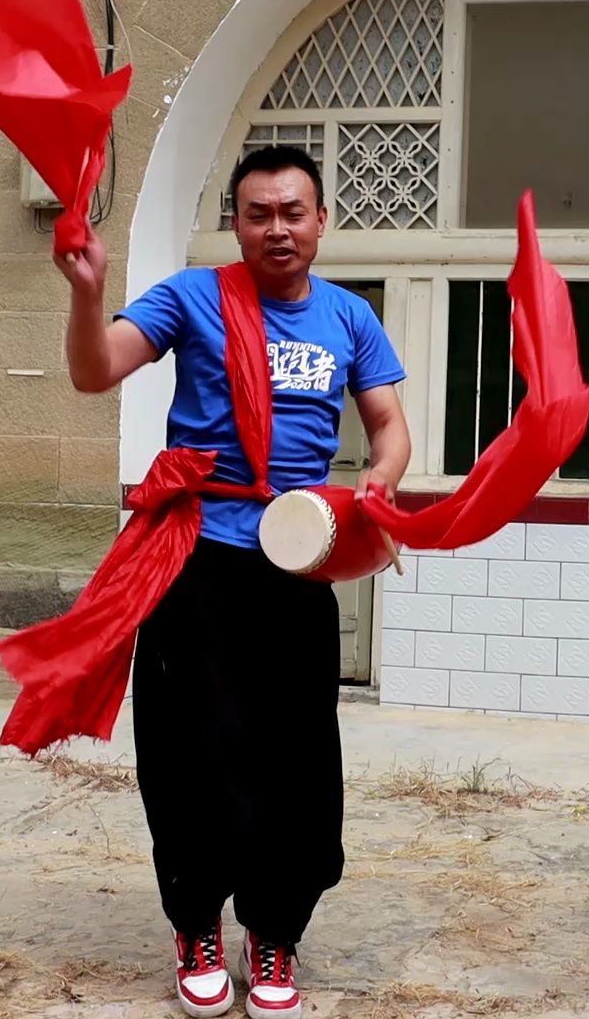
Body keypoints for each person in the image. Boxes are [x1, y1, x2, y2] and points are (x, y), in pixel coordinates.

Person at [56, 144, 410, 1019]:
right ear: (236, 223)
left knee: (295, 759)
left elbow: (390, 426)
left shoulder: (350, 319)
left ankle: (277, 935)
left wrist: (378, 483)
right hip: (195, 559)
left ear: (322, 220)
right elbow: (95, 370)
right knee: (191, 753)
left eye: (294, 212)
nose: (278, 229)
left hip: (297, 562)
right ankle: (195, 926)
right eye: (259, 214)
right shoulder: (192, 299)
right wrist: (87, 291)